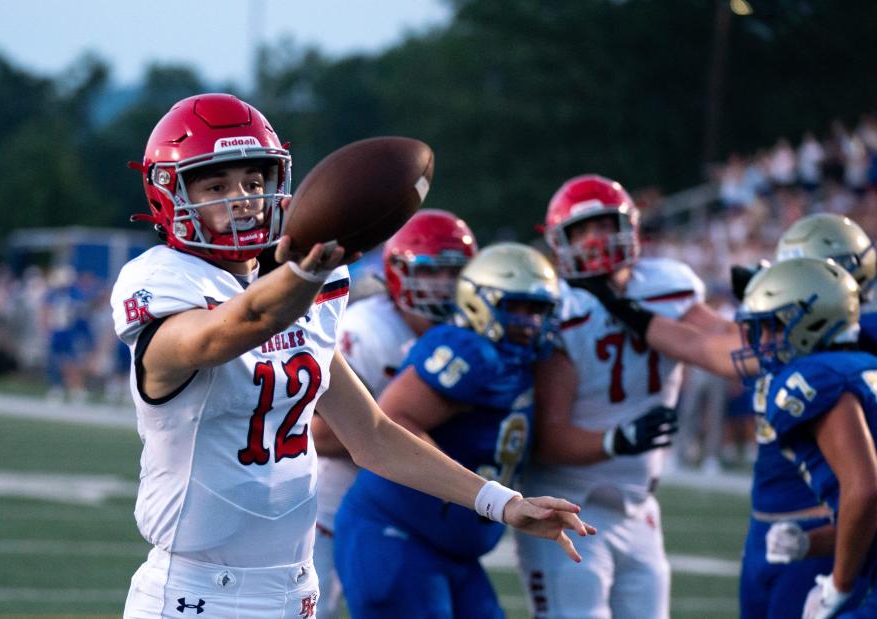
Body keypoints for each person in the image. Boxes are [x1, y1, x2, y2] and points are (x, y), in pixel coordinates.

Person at [111, 93, 593, 619]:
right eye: (217, 185)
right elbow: (235, 327)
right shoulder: (162, 281)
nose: (244, 199)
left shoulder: (302, 291)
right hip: (197, 593)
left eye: (254, 181)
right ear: (169, 192)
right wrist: (303, 276)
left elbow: (374, 435)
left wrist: (503, 503)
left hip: (294, 590)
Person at [588, 212, 877, 618]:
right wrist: (626, 310)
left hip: (826, 527)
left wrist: (838, 580)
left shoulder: (827, 356)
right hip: (780, 529)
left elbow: (863, 487)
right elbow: (709, 347)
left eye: (793, 272)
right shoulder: (794, 345)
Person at [333, 242, 586, 619]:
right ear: (478, 301)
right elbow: (394, 419)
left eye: (538, 310)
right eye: (516, 307)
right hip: (399, 536)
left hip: (452, 547)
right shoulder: (468, 351)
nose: (530, 321)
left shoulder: (524, 360)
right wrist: (468, 489)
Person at [517, 174, 718, 619]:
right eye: (581, 231)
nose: (595, 240)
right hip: (567, 503)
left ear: (629, 227)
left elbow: (718, 345)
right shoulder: (558, 305)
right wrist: (617, 439)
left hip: (639, 506)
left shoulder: (666, 284)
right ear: (558, 241)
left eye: (604, 225)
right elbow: (548, 437)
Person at [311, 208, 478, 618]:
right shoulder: (366, 329)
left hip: (410, 510)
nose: (443, 286)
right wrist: (403, 423)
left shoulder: (469, 331)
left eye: (454, 273)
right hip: (330, 509)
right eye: (431, 272)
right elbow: (316, 432)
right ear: (399, 272)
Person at [735, 257, 877, 618]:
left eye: (774, 328)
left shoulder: (815, 377)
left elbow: (865, 489)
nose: (763, 343)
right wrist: (810, 543)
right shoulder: (862, 366)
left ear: (812, 322)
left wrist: (837, 587)